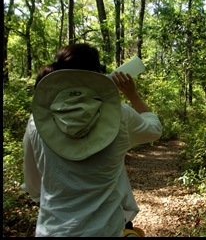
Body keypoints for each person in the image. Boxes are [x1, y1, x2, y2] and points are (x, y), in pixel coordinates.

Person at [22, 43, 163, 237]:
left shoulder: (37, 121)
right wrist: (132, 94)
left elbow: (34, 187)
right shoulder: (118, 114)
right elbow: (155, 130)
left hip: (52, 231)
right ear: (97, 73)